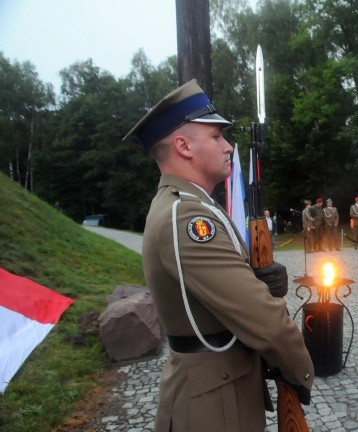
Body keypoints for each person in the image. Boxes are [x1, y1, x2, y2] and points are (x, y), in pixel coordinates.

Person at [123, 80, 313, 431]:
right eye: (216, 137)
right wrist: (300, 368)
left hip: (217, 390)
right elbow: (264, 320)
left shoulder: (188, 206)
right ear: (183, 145)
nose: (228, 147)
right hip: (214, 407)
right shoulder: (188, 217)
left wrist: (257, 277)